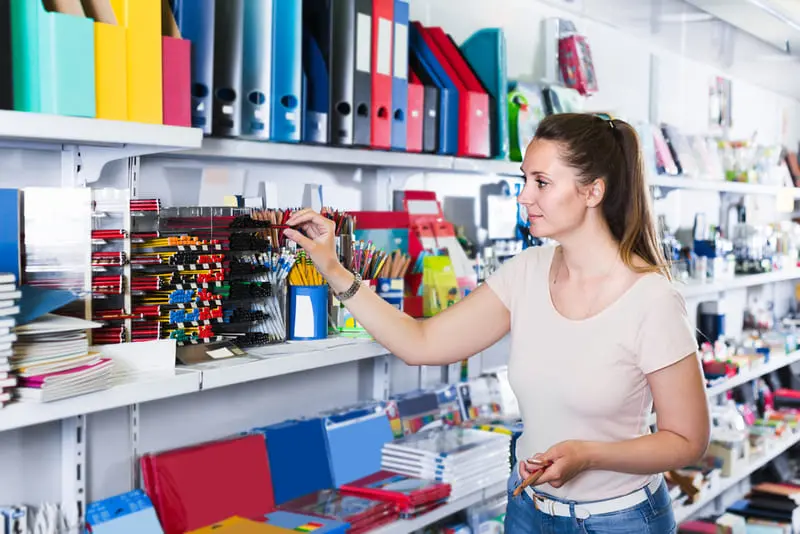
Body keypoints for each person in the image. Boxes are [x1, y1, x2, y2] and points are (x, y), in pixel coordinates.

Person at [283, 113, 710, 534]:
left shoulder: (651, 299)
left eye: (541, 182)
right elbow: (421, 343)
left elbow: (688, 440)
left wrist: (590, 455)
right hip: (528, 509)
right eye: (525, 179)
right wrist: (333, 268)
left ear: (593, 191)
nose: (524, 196)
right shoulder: (526, 272)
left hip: (618, 521)